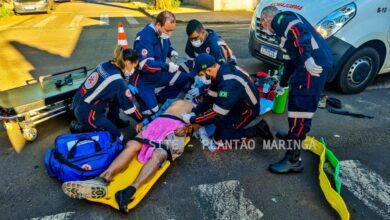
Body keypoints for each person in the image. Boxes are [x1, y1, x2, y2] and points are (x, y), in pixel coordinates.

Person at [62, 100, 196, 213]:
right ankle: (101, 180)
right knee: (132, 145)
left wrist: (188, 129)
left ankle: (130, 190)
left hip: (178, 128)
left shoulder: (204, 106)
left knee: (159, 154)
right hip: (159, 122)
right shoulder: (174, 100)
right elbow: (159, 113)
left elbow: (200, 124)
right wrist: (144, 122)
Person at [259, 6, 333, 174]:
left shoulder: (280, 19)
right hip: (312, 63)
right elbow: (289, 61)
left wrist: (307, 58)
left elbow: (297, 30)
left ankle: (293, 159)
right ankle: (293, 137)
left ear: (266, 19)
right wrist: (283, 83)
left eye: (262, 23)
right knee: (295, 104)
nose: (263, 27)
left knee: (301, 109)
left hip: (312, 66)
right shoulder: (283, 33)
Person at [181, 53, 271, 148]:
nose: (199, 78)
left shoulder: (228, 83)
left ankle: (258, 130)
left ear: (209, 70)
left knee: (220, 139)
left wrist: (193, 120)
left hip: (247, 110)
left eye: (200, 75)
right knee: (216, 122)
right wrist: (195, 112)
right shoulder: (219, 72)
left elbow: (217, 113)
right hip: (235, 104)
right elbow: (209, 98)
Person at [72, 47, 144, 141]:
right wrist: (141, 120)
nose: (133, 70)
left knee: (117, 97)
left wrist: (125, 85)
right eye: (133, 66)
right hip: (88, 113)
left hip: (78, 99)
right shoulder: (117, 81)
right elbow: (129, 108)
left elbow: (110, 83)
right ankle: (82, 128)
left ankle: (113, 120)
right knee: (119, 138)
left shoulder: (105, 64)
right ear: (127, 63)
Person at [132, 11, 190, 116]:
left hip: (159, 73)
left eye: (172, 30)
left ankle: (161, 96)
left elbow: (166, 46)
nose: (169, 33)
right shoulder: (145, 36)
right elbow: (145, 64)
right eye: (168, 30)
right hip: (144, 80)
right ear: (158, 25)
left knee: (184, 78)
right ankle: (142, 99)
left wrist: (172, 52)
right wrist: (167, 66)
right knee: (152, 112)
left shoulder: (162, 33)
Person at [182, 19, 237, 98]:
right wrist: (196, 76)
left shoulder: (215, 45)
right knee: (182, 71)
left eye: (195, 38)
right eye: (191, 39)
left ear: (203, 32)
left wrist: (202, 88)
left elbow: (220, 71)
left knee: (214, 91)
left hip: (225, 68)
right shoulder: (192, 40)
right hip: (204, 67)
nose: (193, 41)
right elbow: (191, 60)